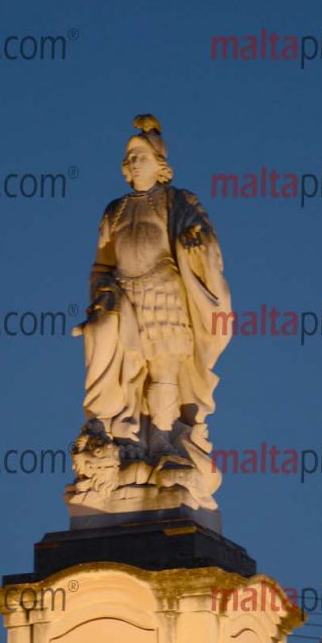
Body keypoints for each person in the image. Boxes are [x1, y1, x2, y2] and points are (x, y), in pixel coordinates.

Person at [71, 115, 232, 494]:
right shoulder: (115, 211)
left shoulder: (176, 201)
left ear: (159, 164)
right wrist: (101, 294)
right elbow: (101, 265)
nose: (131, 164)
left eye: (139, 156)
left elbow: (203, 238)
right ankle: (122, 441)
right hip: (123, 295)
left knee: (163, 367)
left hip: (164, 292)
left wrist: (197, 244)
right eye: (128, 158)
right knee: (125, 371)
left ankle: (163, 442)